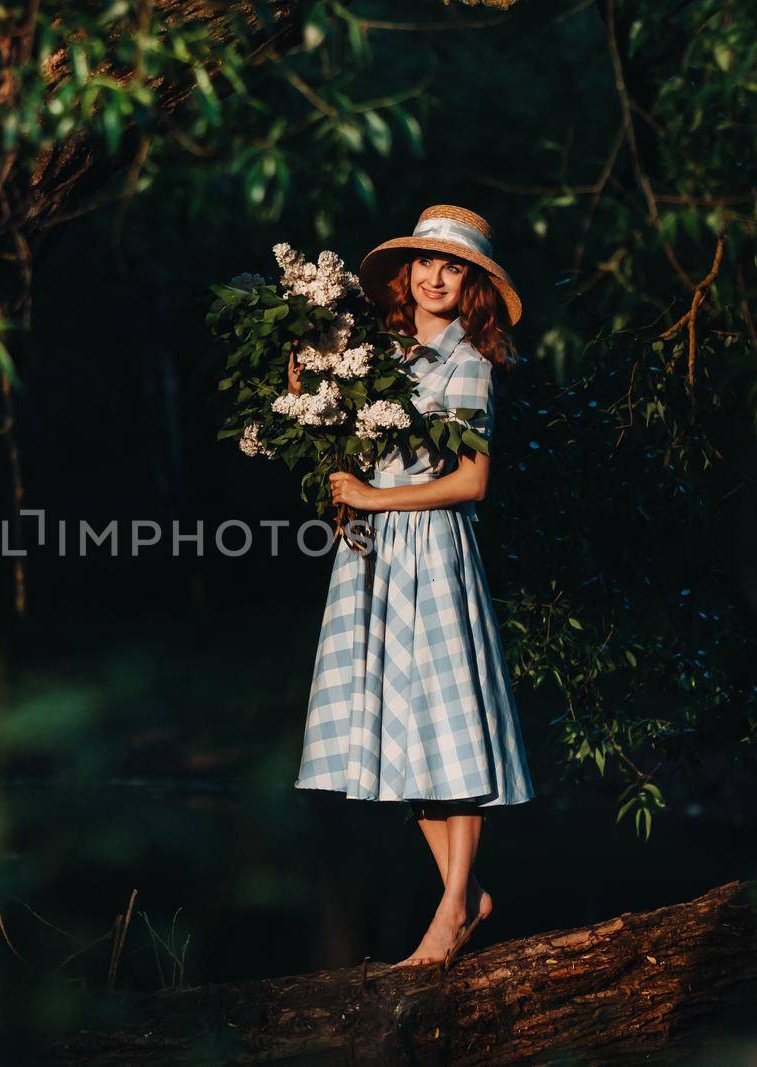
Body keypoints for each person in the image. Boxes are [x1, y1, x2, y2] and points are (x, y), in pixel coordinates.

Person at [289, 204, 536, 972]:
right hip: (374, 554)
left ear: (474, 287)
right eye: (426, 261)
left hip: (431, 549)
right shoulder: (380, 357)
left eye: (453, 266)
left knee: (446, 726)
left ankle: (454, 903)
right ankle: (464, 896)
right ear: (407, 273)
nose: (435, 274)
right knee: (405, 732)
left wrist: (373, 498)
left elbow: (472, 479)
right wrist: (308, 387)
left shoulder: (470, 365)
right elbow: (350, 444)